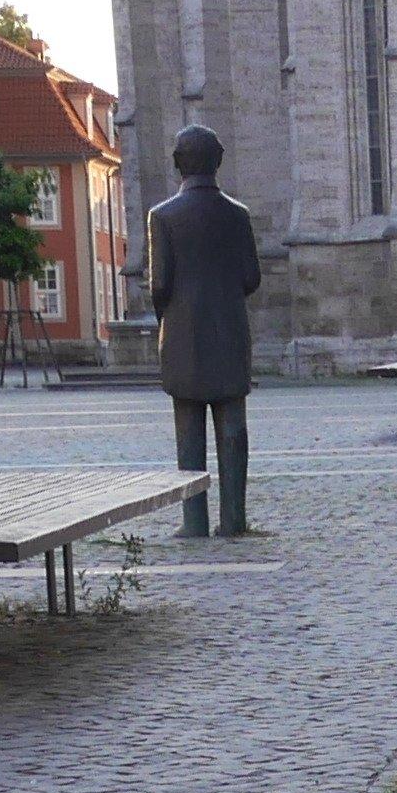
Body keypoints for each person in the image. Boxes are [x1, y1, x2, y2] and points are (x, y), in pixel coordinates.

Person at [147, 125, 260, 540]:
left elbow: (159, 284)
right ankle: (234, 519)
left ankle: (193, 521)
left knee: (188, 434)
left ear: (177, 163)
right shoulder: (238, 214)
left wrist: (170, 317)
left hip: (182, 335)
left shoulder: (162, 216)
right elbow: (251, 277)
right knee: (233, 430)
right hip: (229, 331)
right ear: (220, 160)